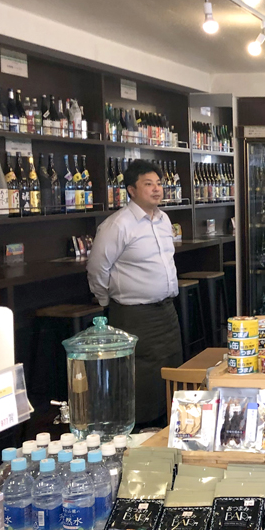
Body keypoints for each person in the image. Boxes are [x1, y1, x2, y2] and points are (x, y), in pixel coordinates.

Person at [87, 159, 181, 429]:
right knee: (142, 373)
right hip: (135, 313)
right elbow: (97, 267)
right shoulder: (118, 225)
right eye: (148, 184)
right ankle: (141, 432)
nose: (156, 189)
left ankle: (170, 426)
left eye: (159, 183)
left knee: (171, 365)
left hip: (166, 309)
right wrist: (106, 301)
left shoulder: (163, 219)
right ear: (131, 190)